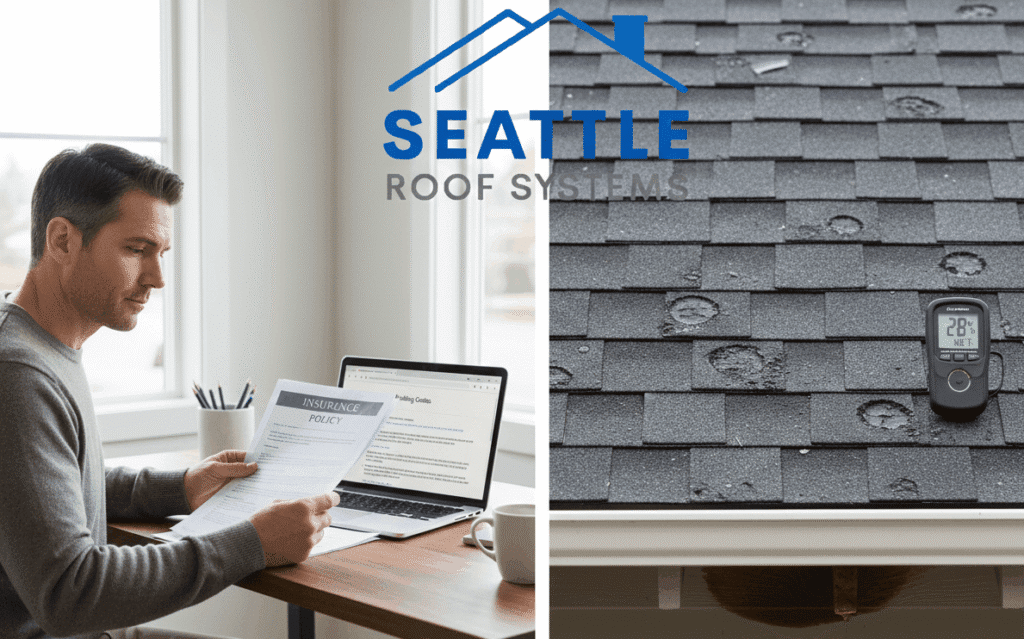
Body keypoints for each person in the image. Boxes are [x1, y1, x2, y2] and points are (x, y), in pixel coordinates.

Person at [0, 144, 340, 639]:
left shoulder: (41, 347)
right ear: (62, 240)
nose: (157, 279)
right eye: (136, 250)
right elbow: (71, 594)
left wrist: (181, 486)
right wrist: (253, 543)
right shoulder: (18, 375)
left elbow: (52, 488)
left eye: (161, 254)